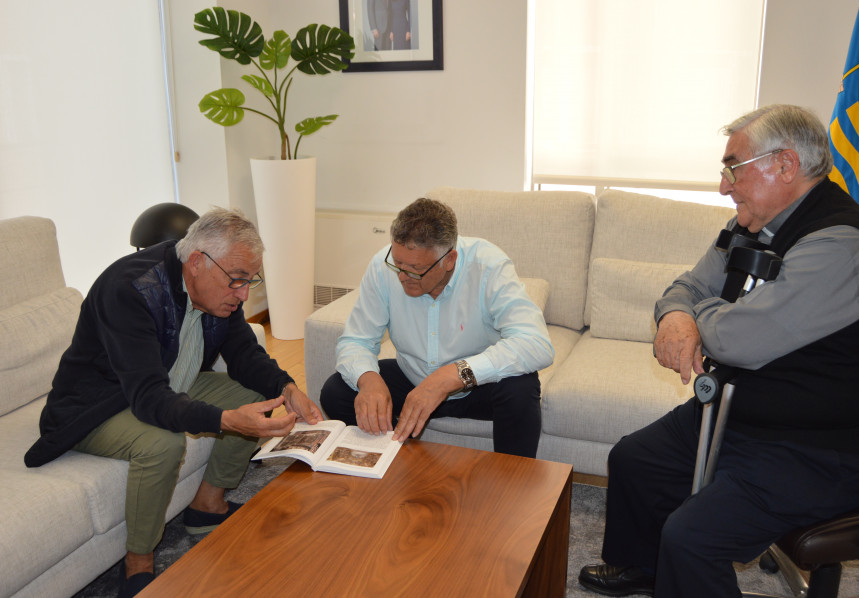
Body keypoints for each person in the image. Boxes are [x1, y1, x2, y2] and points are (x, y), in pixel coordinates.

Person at [578, 104, 859, 597]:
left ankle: (677, 566)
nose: (724, 186)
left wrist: (696, 316)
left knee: (691, 539)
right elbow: (687, 284)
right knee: (634, 460)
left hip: (816, 447)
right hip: (741, 414)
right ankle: (648, 570)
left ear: (786, 166)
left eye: (733, 168)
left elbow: (742, 340)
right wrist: (678, 313)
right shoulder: (749, 224)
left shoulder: (839, 244)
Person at [23, 207, 323, 598]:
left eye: (250, 281)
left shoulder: (219, 286)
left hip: (166, 380)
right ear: (197, 262)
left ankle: (207, 506)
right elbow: (148, 398)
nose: (244, 294)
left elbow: (244, 353)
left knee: (258, 397)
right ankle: (139, 562)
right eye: (237, 281)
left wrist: (287, 388)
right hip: (100, 403)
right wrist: (225, 420)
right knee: (164, 443)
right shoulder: (130, 290)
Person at [319, 197, 554, 458]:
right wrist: (369, 380)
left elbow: (536, 344)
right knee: (337, 390)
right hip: (413, 380)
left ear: (449, 259)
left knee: (521, 387)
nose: (402, 276)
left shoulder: (488, 266)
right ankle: (393, 463)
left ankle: (513, 486)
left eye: (416, 269)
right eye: (398, 264)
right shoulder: (381, 266)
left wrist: (452, 376)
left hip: (477, 386)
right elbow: (356, 341)